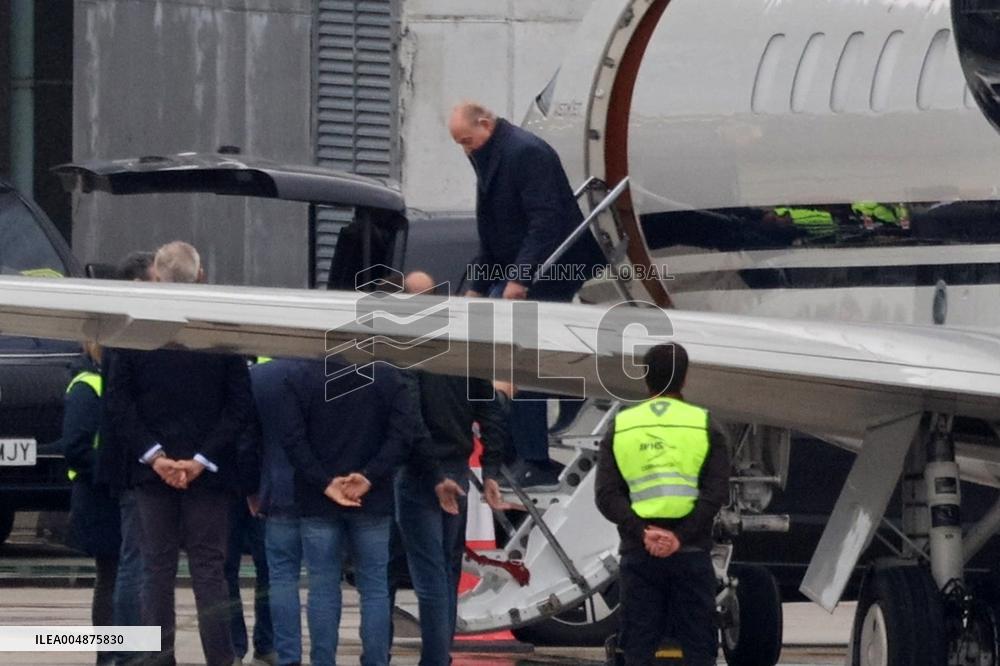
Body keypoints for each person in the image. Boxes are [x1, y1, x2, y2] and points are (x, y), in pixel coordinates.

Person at [106, 241, 253, 666]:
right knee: (210, 572)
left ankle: (158, 659)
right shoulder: (219, 329)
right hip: (207, 474)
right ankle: (221, 659)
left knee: (156, 571)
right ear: (200, 275)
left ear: (155, 274)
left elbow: (118, 401)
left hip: (153, 474)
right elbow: (239, 403)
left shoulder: (135, 329)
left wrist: (154, 456)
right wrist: (201, 458)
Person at [448, 101, 603, 490]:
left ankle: (532, 455)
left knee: (521, 362)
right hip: (520, 266)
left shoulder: (524, 152)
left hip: (546, 268)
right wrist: (478, 285)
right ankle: (520, 453)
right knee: (507, 359)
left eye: (467, 140)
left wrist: (519, 278)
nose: (465, 150)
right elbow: (493, 232)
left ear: (485, 124)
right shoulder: (494, 154)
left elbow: (546, 220)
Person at [394, 271, 510, 666]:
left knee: (429, 576)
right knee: (445, 568)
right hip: (458, 470)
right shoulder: (464, 351)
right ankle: (440, 654)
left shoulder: (408, 352)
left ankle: (435, 659)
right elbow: (492, 411)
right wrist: (491, 469)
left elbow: (411, 421)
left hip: (422, 475)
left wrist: (433, 475)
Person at [595, 343, 729, 666]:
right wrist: (680, 537)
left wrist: (643, 533)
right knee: (699, 647)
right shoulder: (705, 424)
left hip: (639, 554)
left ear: (645, 378)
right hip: (691, 553)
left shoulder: (623, 426)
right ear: (684, 379)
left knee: (638, 647)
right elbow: (716, 493)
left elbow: (606, 495)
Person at [281, 354, 414, 666]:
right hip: (373, 498)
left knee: (323, 588)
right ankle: (376, 660)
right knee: (375, 589)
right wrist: (369, 476)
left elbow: (293, 438)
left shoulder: (302, 375)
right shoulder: (386, 375)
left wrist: (325, 482)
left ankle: (323, 660)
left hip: (318, 499)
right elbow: (402, 435)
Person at [95, 251, 155, 661]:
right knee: (135, 562)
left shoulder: (117, 332)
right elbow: (123, 404)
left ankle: (121, 652)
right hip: (136, 466)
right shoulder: (131, 333)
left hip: (130, 462)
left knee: (131, 563)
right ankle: (128, 652)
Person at [62, 340, 120, 666]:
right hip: (99, 499)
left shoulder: (104, 380)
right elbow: (75, 447)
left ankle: (117, 651)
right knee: (110, 578)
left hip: (106, 494)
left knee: (116, 578)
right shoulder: (87, 385)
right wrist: (113, 467)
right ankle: (109, 654)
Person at [250, 357, 304, 666]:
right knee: (326, 583)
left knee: (278, 577)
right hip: (327, 492)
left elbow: (248, 437)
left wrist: (251, 488)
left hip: (275, 488)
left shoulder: (259, 376)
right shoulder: (323, 371)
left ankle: (284, 655)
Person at [224, 389, 276, 666]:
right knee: (268, 570)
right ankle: (263, 645)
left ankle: (236, 647)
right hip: (254, 483)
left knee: (226, 571)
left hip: (230, 481)